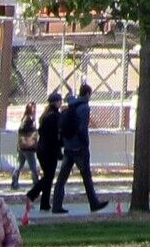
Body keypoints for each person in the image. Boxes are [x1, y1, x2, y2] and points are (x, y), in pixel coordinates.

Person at [52, 83, 107, 213]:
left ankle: (56, 204)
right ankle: (94, 203)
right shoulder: (84, 108)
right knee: (86, 176)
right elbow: (82, 128)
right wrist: (85, 143)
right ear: (88, 94)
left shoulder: (71, 105)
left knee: (62, 178)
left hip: (68, 146)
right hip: (79, 148)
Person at [25, 92, 62, 209]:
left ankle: (45, 203)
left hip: (42, 149)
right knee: (48, 177)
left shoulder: (45, 115)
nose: (60, 103)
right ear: (56, 102)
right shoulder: (54, 116)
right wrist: (59, 149)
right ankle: (32, 194)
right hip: (49, 150)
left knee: (48, 175)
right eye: (59, 101)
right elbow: (55, 136)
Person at [11, 103, 40, 189]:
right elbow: (22, 129)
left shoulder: (29, 118)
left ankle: (14, 182)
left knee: (19, 165)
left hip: (23, 146)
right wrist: (32, 130)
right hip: (28, 147)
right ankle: (36, 184)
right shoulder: (28, 119)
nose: (34, 110)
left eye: (35, 108)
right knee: (33, 166)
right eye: (32, 108)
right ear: (29, 109)